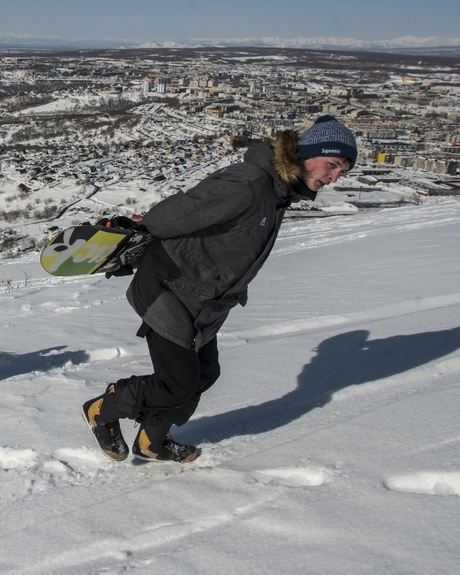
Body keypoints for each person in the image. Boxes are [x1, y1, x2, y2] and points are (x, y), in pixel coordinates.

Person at [83, 114, 358, 463]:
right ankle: (103, 409)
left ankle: (152, 439)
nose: (333, 177)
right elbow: (174, 216)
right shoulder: (250, 183)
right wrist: (133, 236)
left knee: (205, 374)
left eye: (342, 172)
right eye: (331, 164)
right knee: (177, 382)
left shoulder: (277, 192)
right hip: (169, 288)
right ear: (305, 154)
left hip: (204, 299)